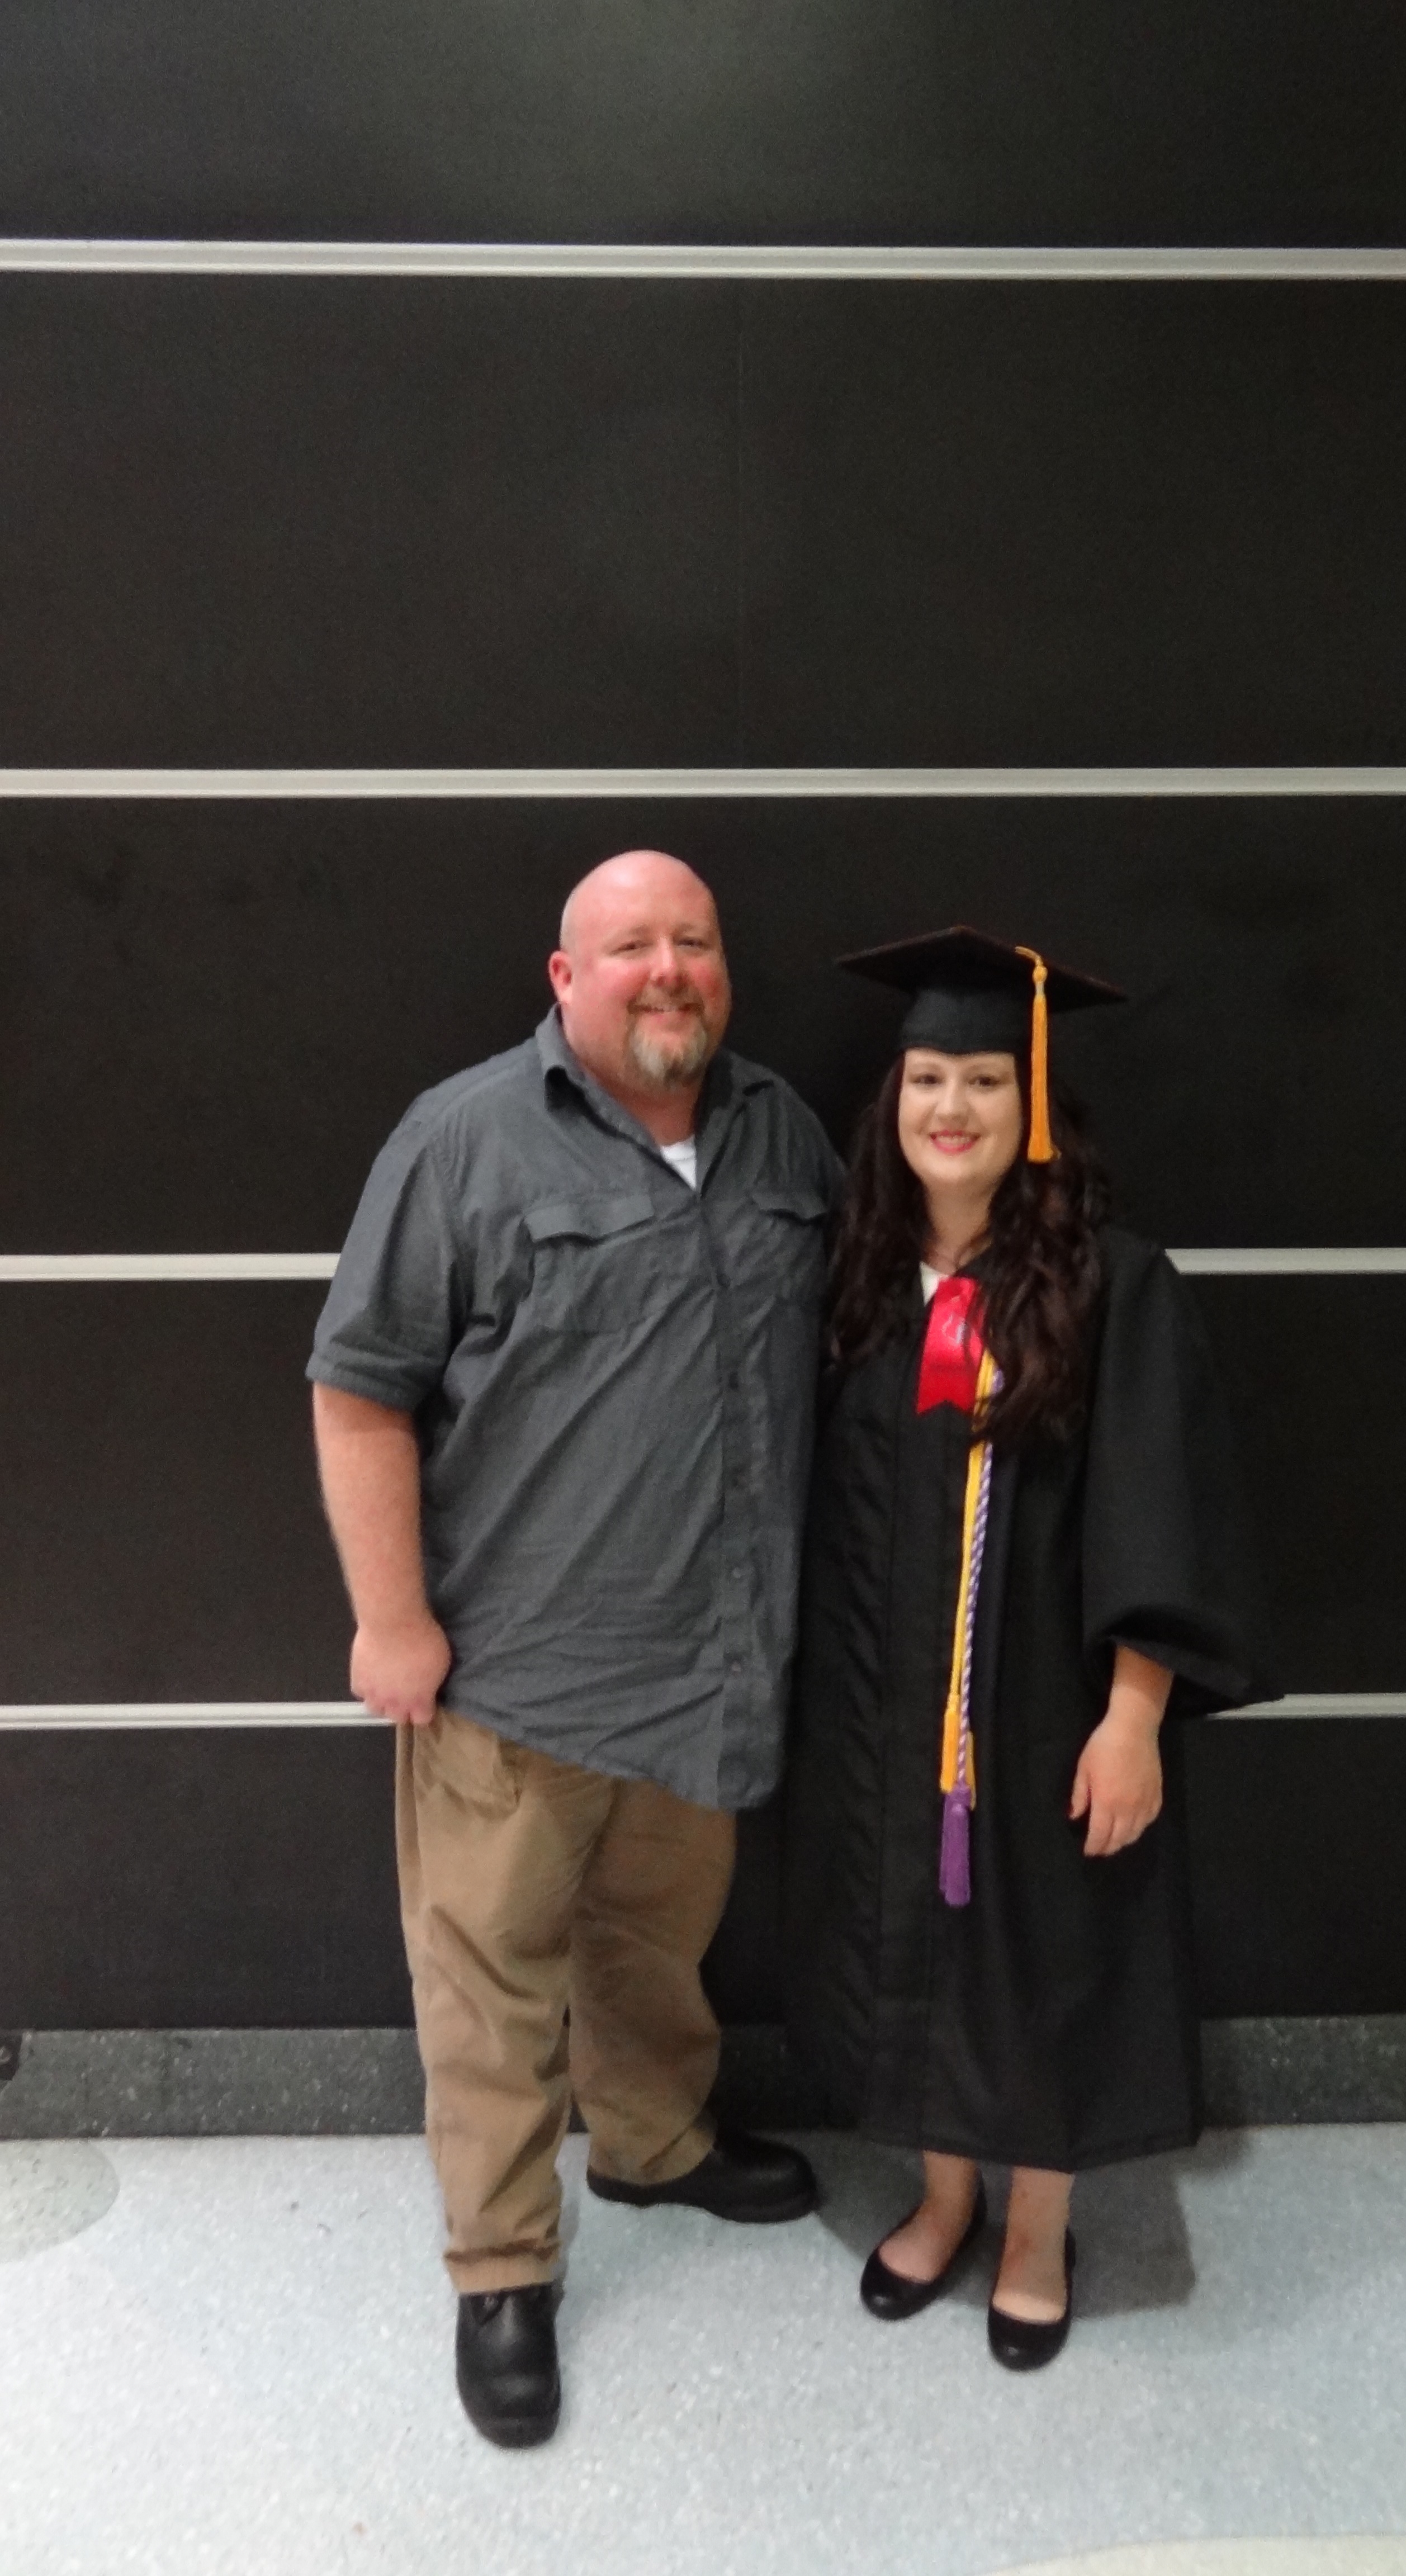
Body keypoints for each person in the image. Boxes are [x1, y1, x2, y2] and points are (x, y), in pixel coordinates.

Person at [309, 851, 837, 2447]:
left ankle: (656, 2144)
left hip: (710, 1670)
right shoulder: (465, 1137)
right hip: (516, 1681)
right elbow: (359, 1390)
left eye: (696, 940)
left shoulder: (782, 1134)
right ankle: (501, 2267)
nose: (669, 968)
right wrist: (392, 1620)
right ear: (564, 977)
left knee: (655, 1945)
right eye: (630, 946)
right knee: (489, 1990)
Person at [783, 924, 1276, 2369]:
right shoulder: (862, 1281)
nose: (953, 1107)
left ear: (1034, 1103)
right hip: (886, 1707)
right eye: (929, 1077)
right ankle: (945, 2199)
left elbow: (1157, 1508)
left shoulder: (1115, 1286)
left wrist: (1133, 1718)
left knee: (1046, 1959)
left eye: (987, 1080)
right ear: (895, 1099)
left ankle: (1038, 2231)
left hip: (1049, 1710)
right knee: (910, 1956)